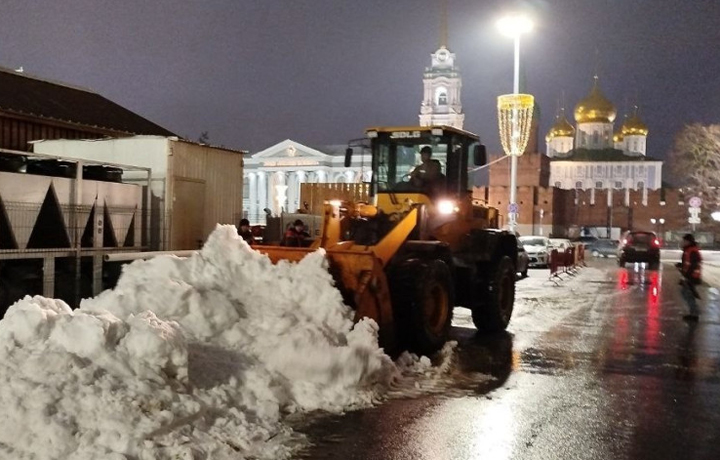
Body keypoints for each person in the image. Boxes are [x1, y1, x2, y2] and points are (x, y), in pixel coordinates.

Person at [676, 233, 702, 322]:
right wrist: (681, 265)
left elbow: (694, 264)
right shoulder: (688, 250)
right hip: (689, 276)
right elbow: (688, 262)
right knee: (687, 293)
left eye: (684, 241)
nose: (682, 242)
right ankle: (694, 313)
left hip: (691, 276)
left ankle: (694, 313)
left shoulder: (692, 251)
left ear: (688, 241)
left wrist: (687, 275)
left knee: (687, 293)